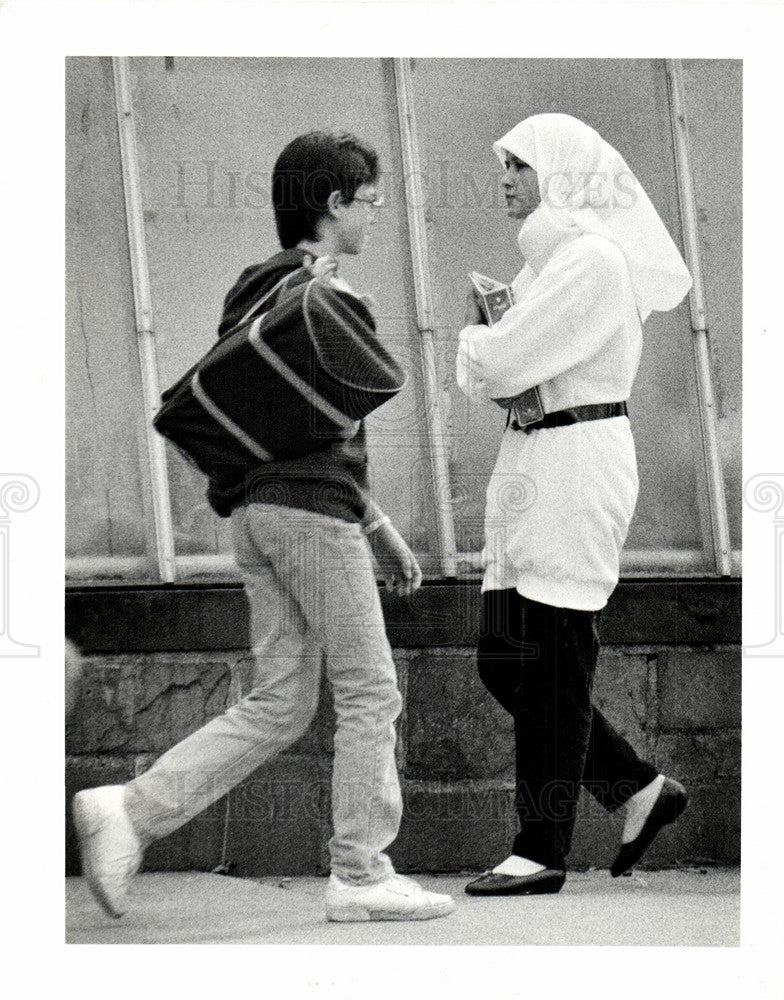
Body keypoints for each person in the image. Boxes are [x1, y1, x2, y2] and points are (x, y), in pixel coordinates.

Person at [73, 131, 455, 923]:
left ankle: (131, 812)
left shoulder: (254, 291)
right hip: (311, 518)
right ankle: (360, 871)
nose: (376, 215)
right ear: (334, 204)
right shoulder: (327, 299)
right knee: (370, 688)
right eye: (370, 201)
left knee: (281, 702)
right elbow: (332, 434)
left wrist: (377, 524)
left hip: (258, 515)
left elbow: (280, 422)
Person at [456, 114, 691, 896]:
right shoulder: (554, 264)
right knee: (504, 657)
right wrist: (490, 348)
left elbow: (499, 360)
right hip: (540, 456)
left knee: (555, 661)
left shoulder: (592, 261)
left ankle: (540, 849)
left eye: (519, 166)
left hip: (577, 463)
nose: (505, 179)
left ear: (559, 174)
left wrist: (480, 345)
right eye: (504, 165)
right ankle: (639, 790)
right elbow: (503, 358)